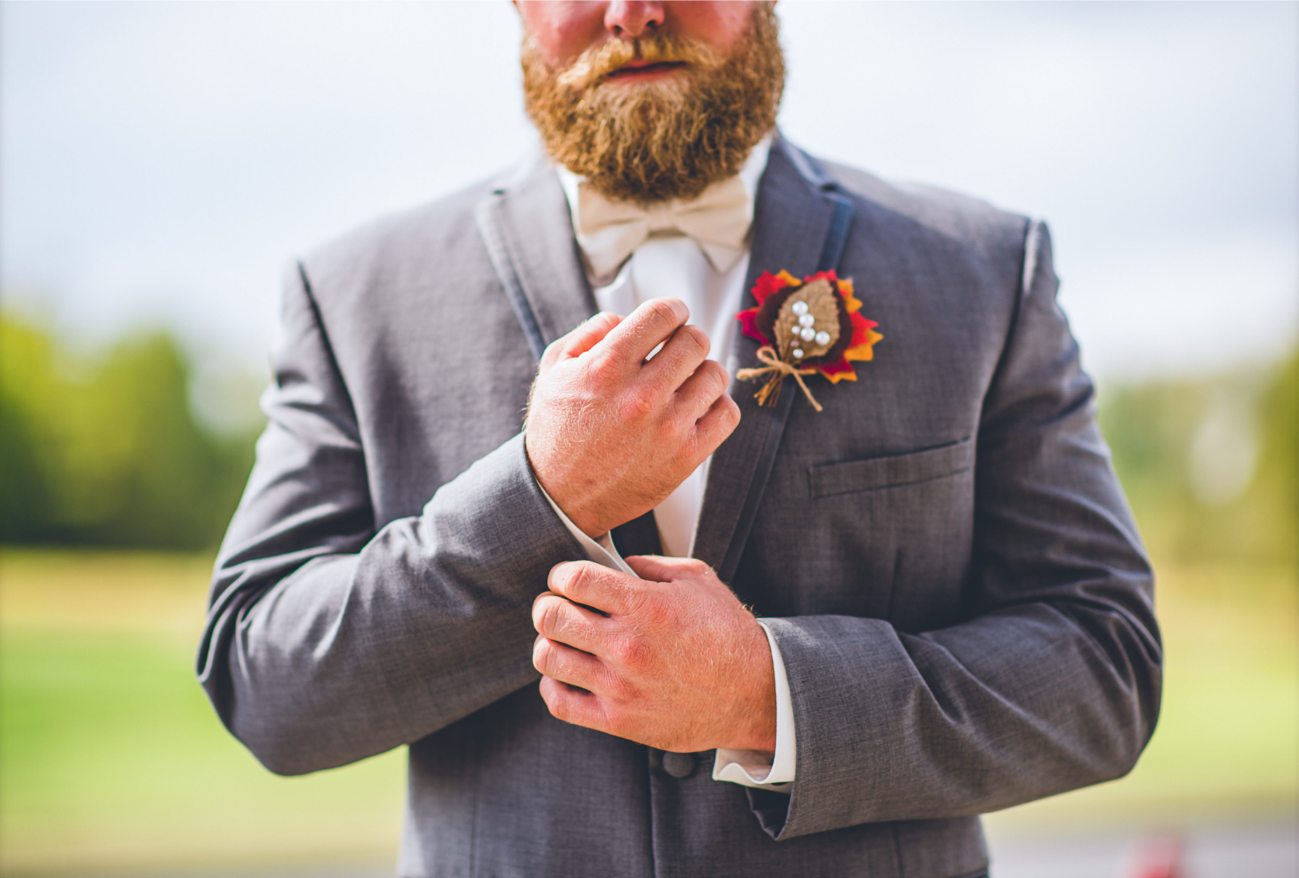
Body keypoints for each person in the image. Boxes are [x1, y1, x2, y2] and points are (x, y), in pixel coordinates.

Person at [197, 3, 1162, 876]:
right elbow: (262, 685)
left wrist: (766, 693)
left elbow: (1105, 663)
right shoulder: (356, 295)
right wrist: (539, 500)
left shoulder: (983, 272)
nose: (633, 14)